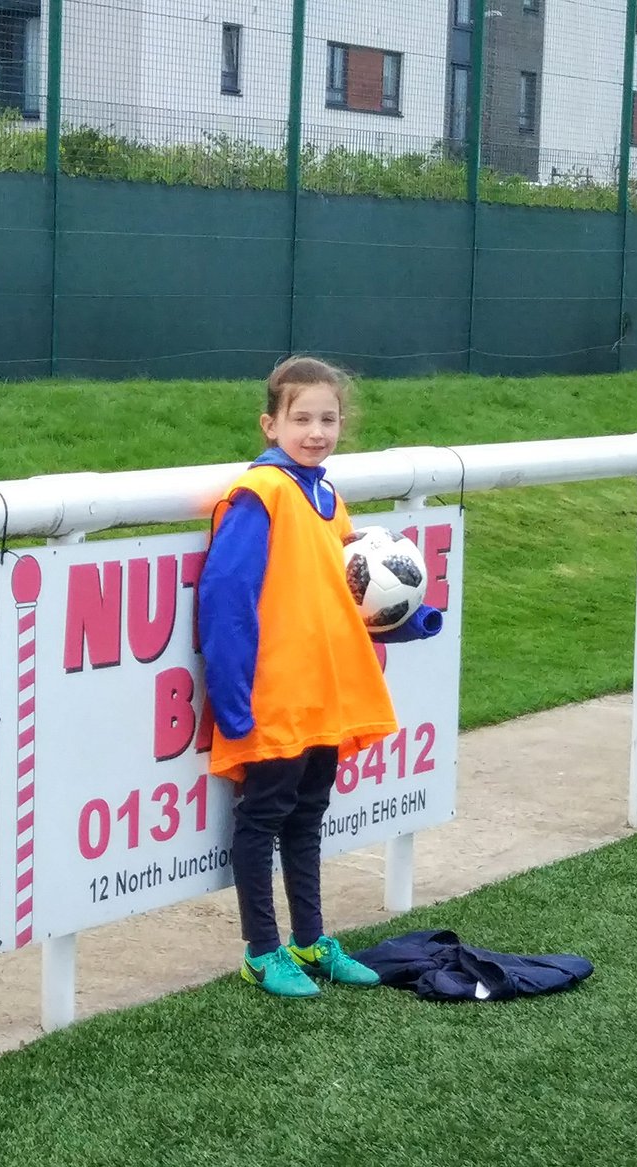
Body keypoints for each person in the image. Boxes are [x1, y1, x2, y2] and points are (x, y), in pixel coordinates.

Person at [198, 356, 441, 999]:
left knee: (308, 817)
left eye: (327, 418)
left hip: (326, 694)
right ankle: (262, 951)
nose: (315, 431)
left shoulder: (329, 497)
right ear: (269, 424)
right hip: (277, 694)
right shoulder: (261, 494)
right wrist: (231, 699)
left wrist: (415, 621)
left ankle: (310, 940)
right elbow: (227, 599)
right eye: (300, 417)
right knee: (263, 818)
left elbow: (352, 596)